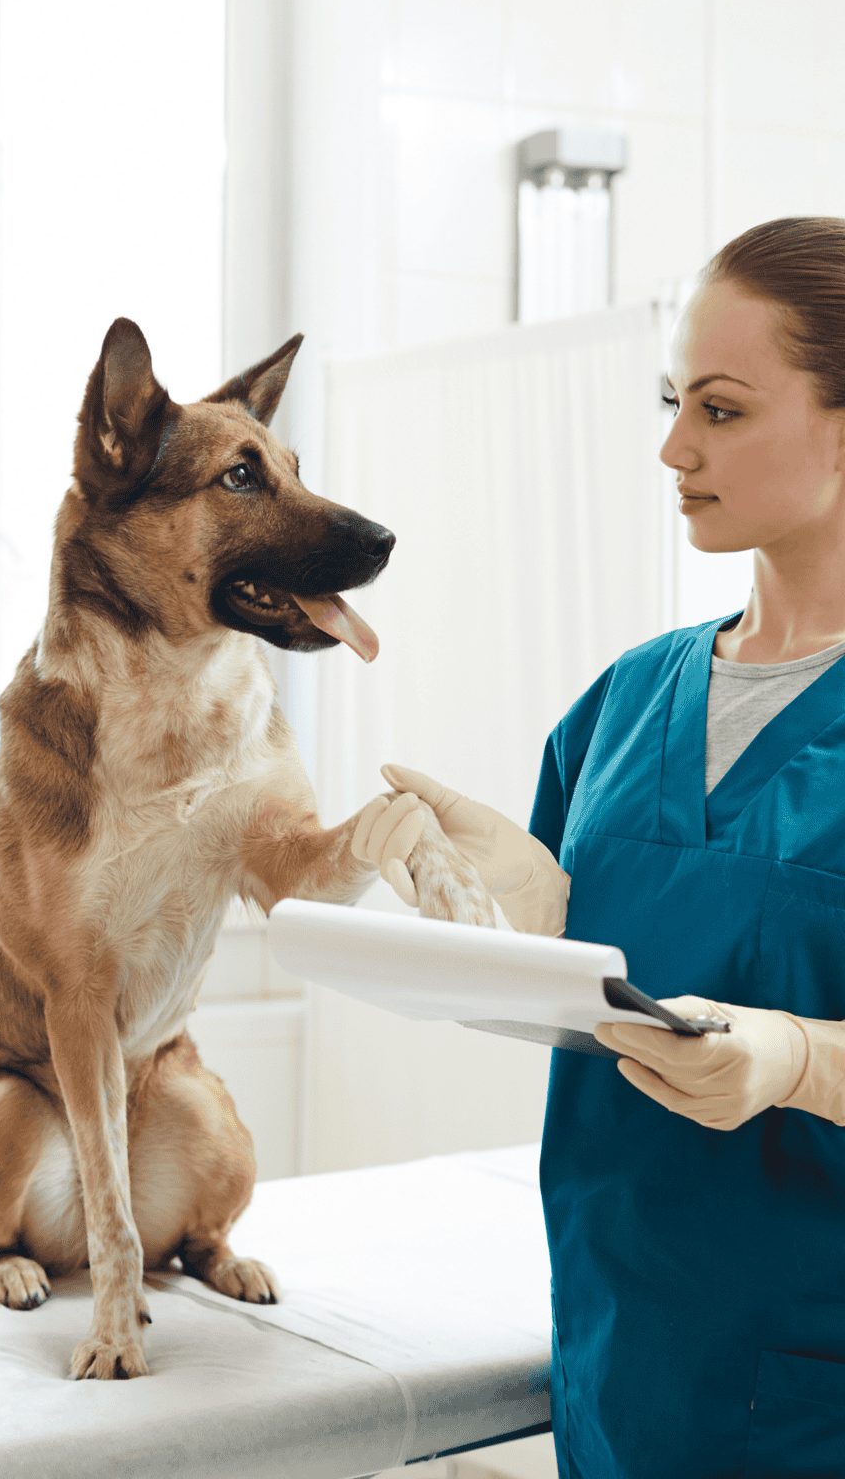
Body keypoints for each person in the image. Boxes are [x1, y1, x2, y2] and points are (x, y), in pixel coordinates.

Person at [356, 217, 845, 1478]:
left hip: (814, 1387)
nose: (673, 449)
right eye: (675, 400)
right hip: (623, 1361)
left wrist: (793, 1059)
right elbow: (609, 984)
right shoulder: (628, 701)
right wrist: (541, 912)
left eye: (724, 412)